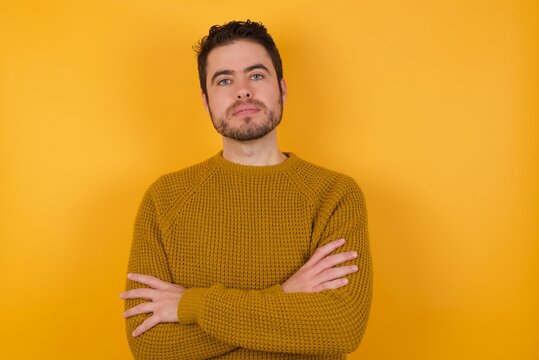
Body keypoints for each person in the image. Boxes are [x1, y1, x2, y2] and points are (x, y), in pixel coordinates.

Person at [120, 20, 372, 359]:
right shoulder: (165, 198)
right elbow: (150, 346)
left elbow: (341, 327)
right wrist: (285, 294)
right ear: (206, 100)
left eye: (256, 75)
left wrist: (190, 306)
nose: (242, 91)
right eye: (225, 80)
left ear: (281, 88)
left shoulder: (335, 194)